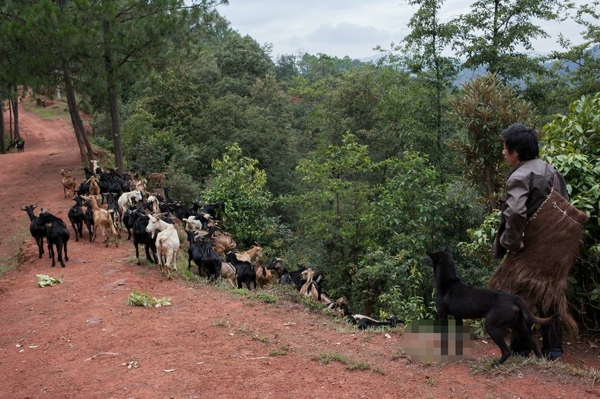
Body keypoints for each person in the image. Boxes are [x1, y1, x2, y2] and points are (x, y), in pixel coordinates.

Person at [491, 123, 567, 361]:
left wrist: (512, 243)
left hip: (530, 248)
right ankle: (553, 350)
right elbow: (565, 205)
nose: (503, 153)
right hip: (555, 246)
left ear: (517, 151)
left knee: (519, 295)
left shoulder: (520, 176)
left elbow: (514, 212)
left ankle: (521, 348)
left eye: (505, 148)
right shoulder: (552, 170)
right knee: (550, 295)